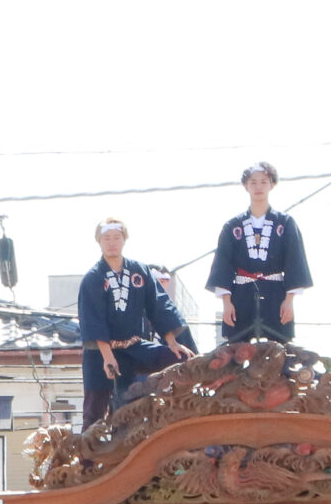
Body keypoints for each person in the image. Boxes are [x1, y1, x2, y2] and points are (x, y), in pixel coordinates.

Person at [76, 218, 188, 422]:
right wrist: (108, 357)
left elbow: (158, 304)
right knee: (95, 410)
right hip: (100, 352)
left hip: (133, 346)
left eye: (116, 237)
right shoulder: (92, 278)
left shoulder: (140, 271)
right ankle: (89, 453)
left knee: (181, 359)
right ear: (99, 242)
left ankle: (171, 412)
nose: (111, 242)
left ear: (124, 240)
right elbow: (93, 319)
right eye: (106, 238)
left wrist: (172, 342)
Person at [206, 162, 313, 343]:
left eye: (263, 182)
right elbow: (223, 265)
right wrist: (226, 303)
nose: (258, 187)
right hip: (241, 294)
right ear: (246, 186)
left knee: (281, 351)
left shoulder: (285, 223)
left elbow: (295, 261)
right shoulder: (233, 226)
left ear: (272, 184)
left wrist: (289, 301)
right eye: (253, 182)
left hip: (275, 294)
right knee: (236, 352)